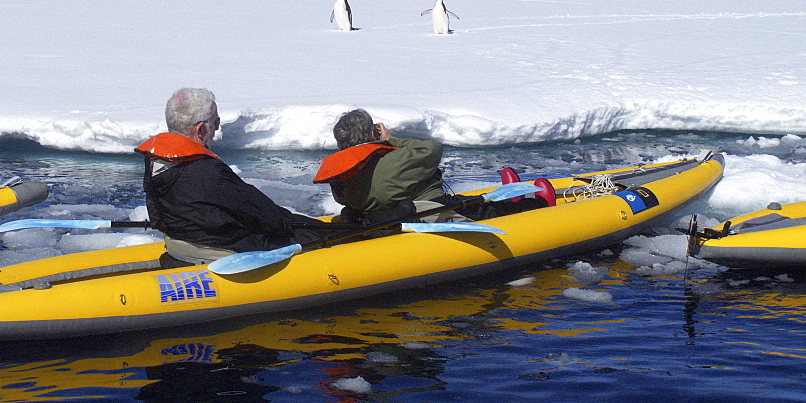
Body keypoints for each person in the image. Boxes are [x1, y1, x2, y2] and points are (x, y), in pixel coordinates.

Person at [136, 88, 326, 269]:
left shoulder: (156, 164)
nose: (216, 130)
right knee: (315, 236)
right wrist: (310, 227)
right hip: (224, 251)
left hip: (183, 246)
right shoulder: (208, 172)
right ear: (201, 129)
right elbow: (266, 217)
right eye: (216, 123)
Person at [315, 108, 552, 225]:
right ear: (371, 133)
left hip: (378, 217)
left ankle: (508, 198)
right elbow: (431, 150)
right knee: (473, 208)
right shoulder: (392, 160)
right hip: (422, 209)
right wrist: (389, 141)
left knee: (467, 202)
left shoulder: (341, 172)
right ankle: (536, 203)